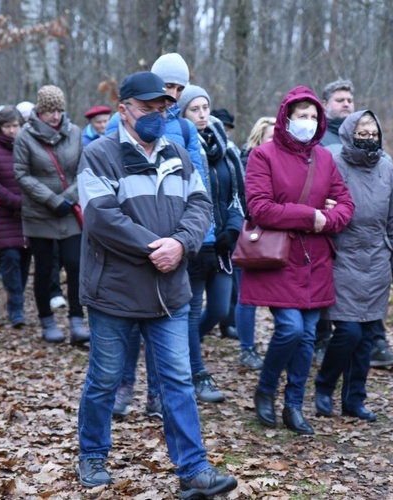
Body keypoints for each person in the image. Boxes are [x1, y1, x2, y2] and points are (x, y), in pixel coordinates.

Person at [75, 71, 238, 497]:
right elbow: (101, 218)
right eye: (148, 109)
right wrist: (155, 247)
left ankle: (194, 470)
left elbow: (201, 204)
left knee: (178, 381)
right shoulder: (99, 155)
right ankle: (92, 453)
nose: (157, 116)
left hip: (170, 291)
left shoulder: (179, 153)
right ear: (124, 110)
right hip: (115, 291)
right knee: (106, 378)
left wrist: (181, 245)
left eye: (163, 109)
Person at [242, 86, 354, 435]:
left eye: (312, 117)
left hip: (315, 260)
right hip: (279, 258)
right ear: (285, 118)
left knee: (307, 336)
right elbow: (259, 207)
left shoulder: (324, 158)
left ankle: (293, 405)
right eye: (300, 116)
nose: (307, 122)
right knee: (290, 329)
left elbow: (346, 204)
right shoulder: (263, 155)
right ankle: (265, 389)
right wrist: (312, 216)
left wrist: (328, 220)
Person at [109, 53, 206, 420]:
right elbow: (105, 205)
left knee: (170, 351)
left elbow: (199, 191)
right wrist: (150, 245)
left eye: (179, 88)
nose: (174, 94)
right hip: (129, 263)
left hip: (173, 253)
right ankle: (123, 387)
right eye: (169, 86)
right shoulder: (112, 139)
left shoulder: (183, 132)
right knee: (127, 337)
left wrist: (185, 240)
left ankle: (156, 395)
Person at [314, 110, 393, 423]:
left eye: (373, 134)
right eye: (362, 133)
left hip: (377, 261)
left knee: (367, 336)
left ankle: (354, 399)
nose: (368, 139)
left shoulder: (387, 166)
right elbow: (314, 203)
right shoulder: (332, 161)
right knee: (348, 332)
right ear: (349, 133)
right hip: (342, 257)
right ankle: (324, 386)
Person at [178, 85, 244, 403]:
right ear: (183, 113)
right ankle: (196, 371)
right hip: (195, 243)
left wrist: (232, 229)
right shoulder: (181, 145)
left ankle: (182, 345)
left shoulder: (224, 145)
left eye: (205, 107)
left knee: (218, 308)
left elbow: (235, 194)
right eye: (195, 109)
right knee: (191, 312)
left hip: (222, 244)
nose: (203, 115)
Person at [13, 85, 88, 344]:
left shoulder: (75, 132)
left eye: (58, 110)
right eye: (49, 111)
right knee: (45, 269)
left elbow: (83, 168)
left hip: (70, 211)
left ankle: (77, 319)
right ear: (39, 111)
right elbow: (22, 174)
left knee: (76, 264)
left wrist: (69, 198)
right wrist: (53, 200)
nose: (55, 116)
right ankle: (47, 320)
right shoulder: (25, 136)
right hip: (39, 213)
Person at [229, 116, 275, 370]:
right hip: (248, 239)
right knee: (247, 297)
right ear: (258, 139)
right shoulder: (243, 164)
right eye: (271, 137)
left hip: (279, 240)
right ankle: (247, 349)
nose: (276, 142)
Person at [0, 106, 31, 328]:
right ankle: (16, 309)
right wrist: (18, 203)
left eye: (16, 126)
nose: (12, 131)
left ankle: (16, 301)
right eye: (8, 126)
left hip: (30, 217)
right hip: (4, 216)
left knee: (25, 261)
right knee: (10, 259)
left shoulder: (29, 146)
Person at [320, 78, 355, 149]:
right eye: (340, 100)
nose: (346, 104)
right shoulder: (316, 138)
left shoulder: (364, 134)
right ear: (325, 105)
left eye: (349, 101)